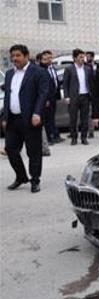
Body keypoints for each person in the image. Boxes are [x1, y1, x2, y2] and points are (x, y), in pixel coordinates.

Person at [1, 44, 49, 193]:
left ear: (26, 56)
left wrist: (37, 113)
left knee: (33, 151)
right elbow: (9, 96)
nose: (15, 58)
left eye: (18, 55)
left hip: (30, 118)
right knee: (10, 149)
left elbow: (43, 94)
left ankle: (35, 180)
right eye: (13, 56)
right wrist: (4, 117)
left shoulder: (38, 72)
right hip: (13, 119)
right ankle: (21, 176)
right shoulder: (9, 74)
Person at [63, 49, 95, 145]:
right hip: (74, 96)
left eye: (83, 57)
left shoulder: (87, 69)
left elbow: (91, 83)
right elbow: (65, 84)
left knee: (85, 118)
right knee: (73, 118)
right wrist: (66, 96)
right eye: (80, 57)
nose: (83, 59)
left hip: (85, 96)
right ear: (75, 58)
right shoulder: (69, 69)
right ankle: (74, 137)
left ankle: (84, 137)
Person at [39, 50, 61, 148]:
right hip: (46, 99)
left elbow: (54, 83)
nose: (49, 60)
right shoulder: (41, 70)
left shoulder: (51, 68)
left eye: (50, 58)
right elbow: (44, 87)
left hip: (53, 97)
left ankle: (54, 135)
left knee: (52, 118)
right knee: (47, 119)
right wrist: (46, 99)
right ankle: (48, 137)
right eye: (46, 59)